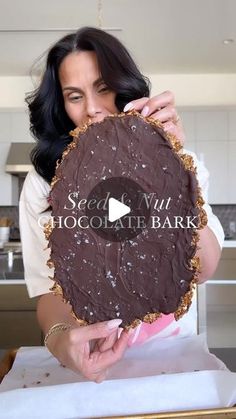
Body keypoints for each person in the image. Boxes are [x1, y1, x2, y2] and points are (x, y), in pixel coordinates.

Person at [20, 26, 224, 383]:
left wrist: (169, 166)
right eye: (74, 96)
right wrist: (61, 342)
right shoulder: (44, 183)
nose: (94, 110)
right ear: (61, 105)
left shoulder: (176, 162)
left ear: (125, 87)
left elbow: (203, 269)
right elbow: (48, 293)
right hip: (91, 367)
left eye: (103, 88)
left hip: (173, 360)